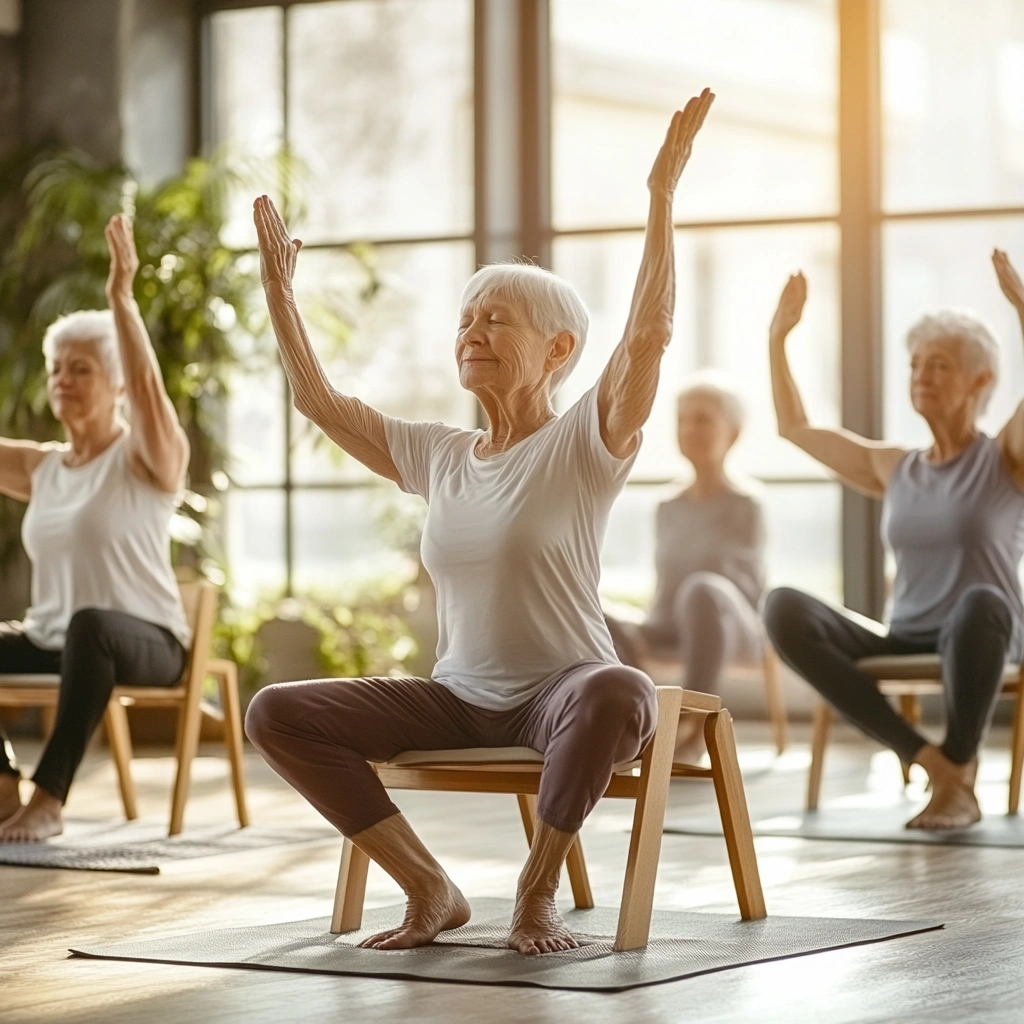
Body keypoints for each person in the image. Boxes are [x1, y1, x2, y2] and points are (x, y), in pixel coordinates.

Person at [244, 88, 715, 955]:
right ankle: (430, 887)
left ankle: (536, 894)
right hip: (458, 699)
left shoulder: (585, 439)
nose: (472, 332)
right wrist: (280, 292)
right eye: (465, 319)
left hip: (561, 695)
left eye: (497, 319)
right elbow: (319, 401)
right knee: (277, 711)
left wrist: (660, 200)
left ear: (558, 351)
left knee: (621, 688)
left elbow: (648, 336)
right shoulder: (439, 453)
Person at [763, 249, 1024, 831]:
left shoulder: (1005, 458)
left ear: (980, 381)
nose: (921, 376)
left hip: (983, 635)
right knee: (782, 605)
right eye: (915, 365)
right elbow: (794, 428)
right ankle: (939, 766)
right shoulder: (894, 466)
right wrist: (778, 340)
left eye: (939, 365)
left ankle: (956, 766)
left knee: (981, 602)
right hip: (906, 634)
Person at [0, 215, 192, 842]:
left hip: (148, 642)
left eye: (82, 368)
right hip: (54, 639)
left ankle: (50, 798)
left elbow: (148, 388)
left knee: (92, 624)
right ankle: (4, 783)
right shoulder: (45, 468)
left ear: (113, 384)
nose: (64, 378)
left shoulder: (146, 457)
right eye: (58, 367)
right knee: (68, 627)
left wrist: (120, 299)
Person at [605, 373, 766, 762]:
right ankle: (640, 725)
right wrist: (639, 630)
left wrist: (704, 594)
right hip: (670, 625)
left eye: (703, 419)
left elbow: (747, 587)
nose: (690, 429)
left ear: (733, 432)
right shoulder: (668, 506)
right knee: (593, 609)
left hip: (733, 626)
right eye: (683, 420)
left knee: (701, 588)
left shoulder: (746, 504)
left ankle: (692, 726)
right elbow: (664, 586)